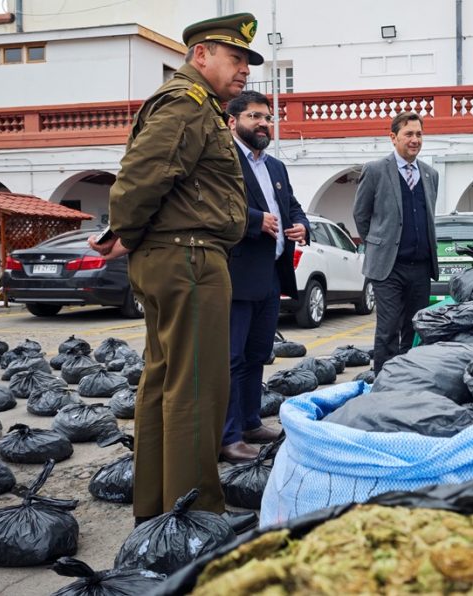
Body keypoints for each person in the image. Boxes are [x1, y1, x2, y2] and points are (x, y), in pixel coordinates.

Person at [88, 13, 263, 531]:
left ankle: (160, 506)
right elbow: (142, 177)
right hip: (189, 258)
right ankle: (196, 513)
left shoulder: (198, 105)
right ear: (201, 54)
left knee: (166, 384)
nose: (244, 71)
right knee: (197, 389)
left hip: (178, 254)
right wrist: (126, 227)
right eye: (235, 58)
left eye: (248, 62)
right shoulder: (187, 106)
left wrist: (132, 233)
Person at [221, 90, 310, 463]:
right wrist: (258, 221)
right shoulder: (222, 162)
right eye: (254, 116)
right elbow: (218, 209)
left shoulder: (275, 166)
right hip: (237, 274)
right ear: (232, 122)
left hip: (272, 274)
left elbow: (291, 206)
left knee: (258, 353)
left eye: (267, 117)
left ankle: (250, 421)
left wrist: (301, 225)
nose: (262, 123)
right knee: (232, 358)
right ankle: (227, 437)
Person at [353, 111, 439, 373]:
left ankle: (412, 380)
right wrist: (379, 242)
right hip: (388, 268)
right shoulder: (376, 170)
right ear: (393, 137)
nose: (415, 139)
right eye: (409, 134)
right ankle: (385, 383)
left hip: (421, 267)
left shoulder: (430, 174)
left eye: (419, 134)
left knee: (417, 329)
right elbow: (361, 214)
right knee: (388, 328)